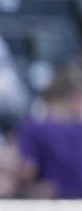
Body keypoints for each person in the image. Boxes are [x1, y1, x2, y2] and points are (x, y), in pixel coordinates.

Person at [16, 64, 82, 198]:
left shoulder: (32, 128)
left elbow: (25, 172)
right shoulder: (34, 129)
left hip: (55, 210)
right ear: (75, 97)